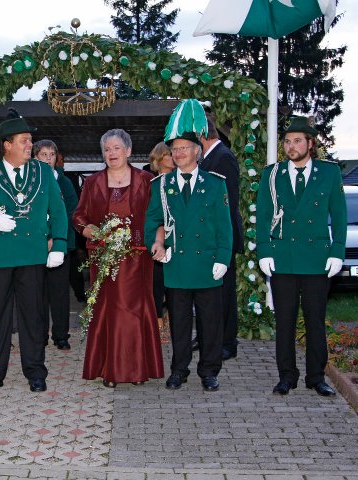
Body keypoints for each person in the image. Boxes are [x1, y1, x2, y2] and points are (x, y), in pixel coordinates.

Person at [0, 112, 67, 394]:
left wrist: (59, 244)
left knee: (33, 316)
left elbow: (58, 210)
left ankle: (36, 372)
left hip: (33, 255)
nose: (29, 145)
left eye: (30, 140)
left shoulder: (43, 171)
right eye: (24, 140)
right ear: (7, 144)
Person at [144, 99, 232, 392]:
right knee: (179, 324)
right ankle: (179, 369)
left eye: (184, 148)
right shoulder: (161, 185)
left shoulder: (215, 183)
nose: (179, 153)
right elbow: (153, 220)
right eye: (175, 149)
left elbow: (224, 226)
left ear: (197, 151)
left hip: (207, 263)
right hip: (177, 264)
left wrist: (223, 258)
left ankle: (209, 371)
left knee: (210, 323)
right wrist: (155, 245)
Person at [256, 116, 346, 397]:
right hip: (283, 257)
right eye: (287, 141)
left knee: (315, 320)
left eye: (297, 141)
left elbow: (339, 215)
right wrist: (264, 250)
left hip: (317, 258)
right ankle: (287, 376)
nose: (290, 146)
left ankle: (316, 377)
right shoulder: (272, 174)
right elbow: (263, 215)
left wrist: (337, 251)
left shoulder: (329, 173)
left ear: (311, 144)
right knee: (284, 321)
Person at [73, 129, 164, 387]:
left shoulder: (147, 180)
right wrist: (88, 230)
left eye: (116, 148)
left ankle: (137, 370)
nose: (111, 153)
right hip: (104, 258)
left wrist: (158, 241)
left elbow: (158, 216)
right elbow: (78, 216)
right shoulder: (93, 183)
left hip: (138, 258)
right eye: (107, 149)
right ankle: (109, 370)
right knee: (109, 311)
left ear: (128, 151)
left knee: (135, 311)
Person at [199, 118, 244, 361]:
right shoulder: (209, 158)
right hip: (209, 239)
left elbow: (229, 201)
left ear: (201, 136)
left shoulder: (223, 157)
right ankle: (209, 337)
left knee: (224, 293)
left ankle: (228, 342)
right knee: (210, 293)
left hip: (221, 238)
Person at [34, 139, 78, 350]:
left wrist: (55, 236)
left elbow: (71, 211)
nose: (48, 159)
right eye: (43, 154)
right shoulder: (30, 181)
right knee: (38, 292)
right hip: (36, 246)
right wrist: (43, 236)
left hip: (60, 244)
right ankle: (39, 334)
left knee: (59, 292)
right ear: (35, 157)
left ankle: (61, 335)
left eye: (52, 155)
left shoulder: (64, 182)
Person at [146, 142, 174, 328]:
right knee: (157, 282)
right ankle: (157, 319)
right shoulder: (152, 185)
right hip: (158, 238)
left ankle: (171, 317)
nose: (173, 157)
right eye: (169, 154)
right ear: (159, 159)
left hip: (176, 240)